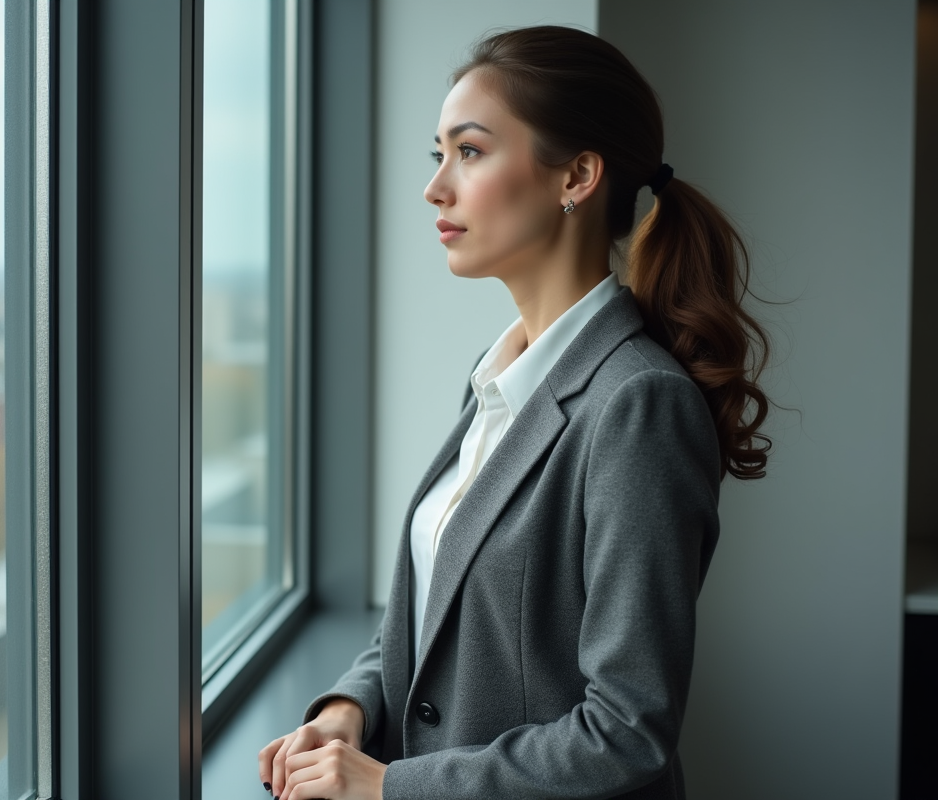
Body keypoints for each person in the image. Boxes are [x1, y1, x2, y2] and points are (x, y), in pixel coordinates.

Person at [257, 24, 771, 800]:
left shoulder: (638, 405)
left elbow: (626, 734)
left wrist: (388, 787)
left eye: (469, 152)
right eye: (439, 156)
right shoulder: (497, 378)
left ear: (579, 175)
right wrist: (349, 708)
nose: (436, 188)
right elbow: (440, 610)